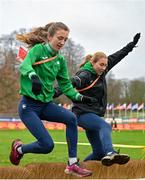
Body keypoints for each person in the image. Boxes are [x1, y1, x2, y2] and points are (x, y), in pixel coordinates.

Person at [9, 22, 95, 177]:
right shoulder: (37, 50)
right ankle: (19, 149)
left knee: (71, 118)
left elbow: (66, 85)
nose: (62, 42)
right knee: (47, 145)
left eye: (65, 39)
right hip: (28, 107)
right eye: (60, 38)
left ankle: (72, 164)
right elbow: (24, 66)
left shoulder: (60, 60)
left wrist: (80, 97)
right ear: (49, 37)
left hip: (46, 105)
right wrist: (33, 76)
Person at [54, 33, 141, 166]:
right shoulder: (85, 74)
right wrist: (56, 91)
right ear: (92, 63)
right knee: (105, 126)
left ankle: (78, 168)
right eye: (101, 65)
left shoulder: (103, 69)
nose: (104, 68)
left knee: (99, 153)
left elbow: (118, 55)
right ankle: (111, 152)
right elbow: (72, 82)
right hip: (82, 114)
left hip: (93, 115)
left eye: (105, 65)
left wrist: (131, 45)